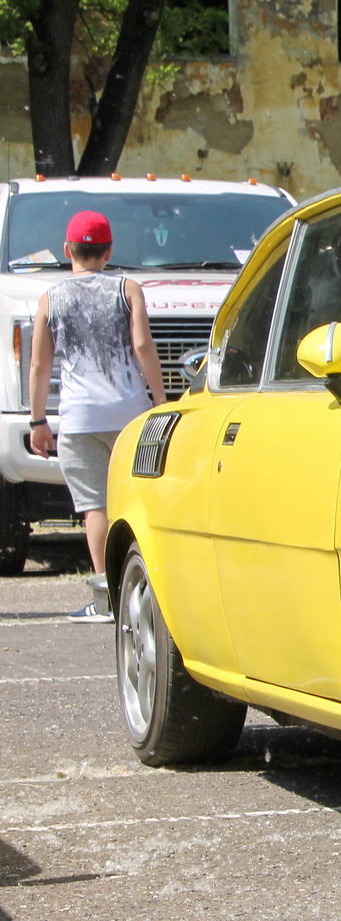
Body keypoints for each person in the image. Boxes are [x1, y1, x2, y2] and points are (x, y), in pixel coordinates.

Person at [27, 211, 167, 623]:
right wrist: (159, 401)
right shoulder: (128, 289)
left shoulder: (50, 299)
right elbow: (143, 346)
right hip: (130, 413)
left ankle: (105, 596)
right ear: (109, 251)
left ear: (68, 250)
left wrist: (39, 421)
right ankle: (148, 590)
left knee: (95, 508)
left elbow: (38, 365)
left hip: (79, 417)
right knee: (139, 502)